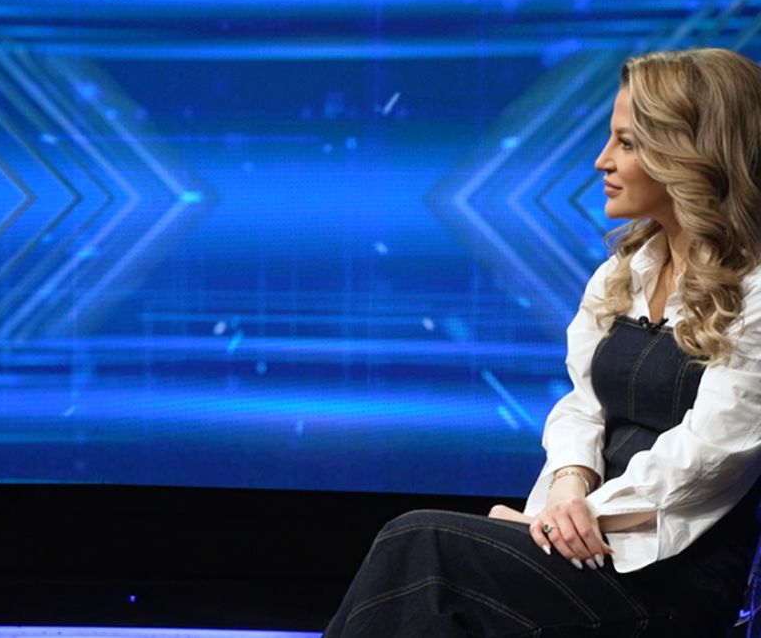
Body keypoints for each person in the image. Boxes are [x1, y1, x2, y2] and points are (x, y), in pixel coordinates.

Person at [322, 47, 761, 637]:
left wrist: (564, 522)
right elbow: (583, 406)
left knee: (421, 545)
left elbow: (710, 457)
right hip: (584, 545)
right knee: (416, 578)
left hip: (669, 577)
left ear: (690, 154)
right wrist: (568, 484)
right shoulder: (624, 272)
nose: (602, 160)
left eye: (627, 143)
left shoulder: (754, 291)